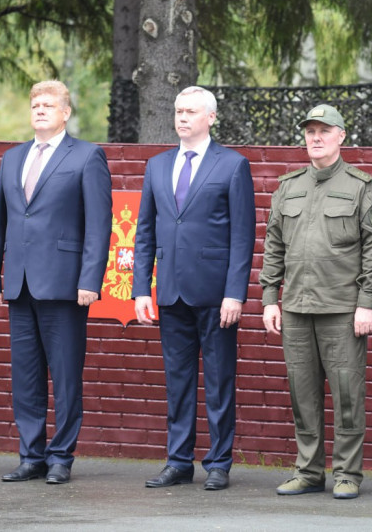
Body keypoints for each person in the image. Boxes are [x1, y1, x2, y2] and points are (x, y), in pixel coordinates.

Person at [0, 80, 112, 485]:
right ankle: (31, 455)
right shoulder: (12, 158)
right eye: (35, 104)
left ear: (65, 113)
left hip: (65, 284)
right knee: (26, 376)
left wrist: (90, 279)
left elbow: (99, 225)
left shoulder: (87, 156)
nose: (39, 109)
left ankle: (61, 457)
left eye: (48, 104)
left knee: (66, 376)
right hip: (19, 284)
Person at [259, 104, 372, 500]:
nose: (316, 138)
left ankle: (347, 474)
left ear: (341, 136)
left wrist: (366, 302)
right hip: (296, 309)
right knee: (302, 394)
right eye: (310, 131)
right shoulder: (289, 186)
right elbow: (273, 245)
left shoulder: (361, 186)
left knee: (348, 395)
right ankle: (309, 471)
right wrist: (270, 298)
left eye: (324, 130)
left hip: (342, 310)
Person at [132, 85, 256, 491]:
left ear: (211, 118)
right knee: (178, 382)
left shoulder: (232, 165)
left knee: (219, 382)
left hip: (216, 295)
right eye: (178, 111)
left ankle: (218, 463)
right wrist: (141, 289)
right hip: (170, 293)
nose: (182, 117)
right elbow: (145, 231)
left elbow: (243, 236)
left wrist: (235, 293)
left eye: (190, 111)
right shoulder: (157, 165)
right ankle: (178, 461)